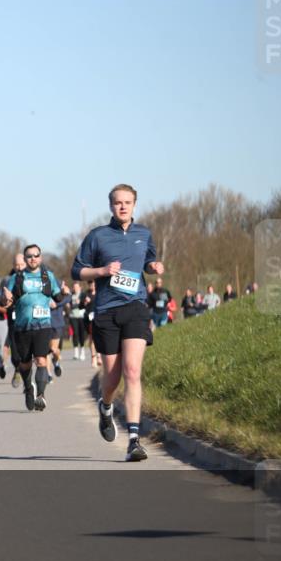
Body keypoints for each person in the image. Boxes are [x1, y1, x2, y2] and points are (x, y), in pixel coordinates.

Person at [72, 183, 164, 462]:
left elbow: (148, 260)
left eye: (127, 202)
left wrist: (153, 267)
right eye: (117, 203)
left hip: (135, 307)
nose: (122, 206)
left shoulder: (144, 233)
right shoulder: (97, 236)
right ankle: (106, 405)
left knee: (133, 371)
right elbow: (77, 271)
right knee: (111, 379)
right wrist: (101, 270)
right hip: (106, 311)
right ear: (111, 206)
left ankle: (134, 440)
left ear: (135, 205)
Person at [5, 245, 64, 412]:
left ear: (40, 257)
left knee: (41, 360)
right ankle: (28, 388)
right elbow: (7, 303)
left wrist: (65, 293)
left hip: (43, 325)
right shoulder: (16, 278)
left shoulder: (48, 276)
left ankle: (41, 395)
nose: (32, 258)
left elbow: (58, 296)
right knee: (24, 364)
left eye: (35, 255)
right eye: (29, 256)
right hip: (22, 327)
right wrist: (6, 299)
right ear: (24, 259)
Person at [6, 252, 26, 388]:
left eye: (21, 264)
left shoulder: (34, 277)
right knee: (15, 351)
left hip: (28, 319)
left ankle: (28, 379)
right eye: (16, 265)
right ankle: (17, 369)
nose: (19, 267)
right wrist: (6, 300)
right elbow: (6, 298)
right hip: (14, 319)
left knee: (27, 350)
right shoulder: (11, 279)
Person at [48, 279, 72, 377]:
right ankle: (48, 375)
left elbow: (69, 297)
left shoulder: (56, 283)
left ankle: (56, 361)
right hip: (42, 322)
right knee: (45, 351)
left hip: (56, 322)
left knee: (53, 349)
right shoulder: (36, 283)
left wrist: (56, 305)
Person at [69, 281, 89, 361]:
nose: (75, 289)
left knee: (82, 334)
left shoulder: (83, 295)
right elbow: (68, 304)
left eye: (77, 287)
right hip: (73, 316)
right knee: (75, 333)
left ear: (80, 287)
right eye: (74, 287)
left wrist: (81, 302)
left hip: (81, 316)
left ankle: (82, 351)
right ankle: (76, 352)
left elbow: (86, 304)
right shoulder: (71, 295)